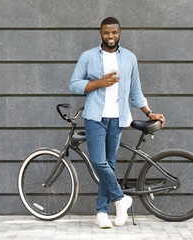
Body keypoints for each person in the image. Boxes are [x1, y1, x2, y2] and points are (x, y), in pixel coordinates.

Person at [69, 17, 165, 228]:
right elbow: (74, 85)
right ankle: (121, 200)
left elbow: (135, 91)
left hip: (119, 118)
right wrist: (98, 83)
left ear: (119, 33)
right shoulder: (89, 56)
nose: (110, 36)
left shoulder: (129, 58)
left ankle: (103, 213)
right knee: (98, 161)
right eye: (106, 33)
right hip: (95, 117)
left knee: (109, 166)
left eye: (114, 32)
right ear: (100, 33)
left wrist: (150, 113)